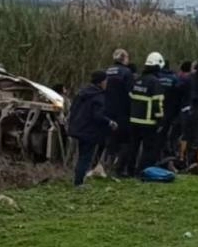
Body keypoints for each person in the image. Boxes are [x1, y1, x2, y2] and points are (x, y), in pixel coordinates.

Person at [68, 71, 118, 187]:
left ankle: (78, 179)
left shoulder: (82, 93)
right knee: (85, 157)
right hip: (89, 131)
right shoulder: (98, 96)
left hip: (78, 128)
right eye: (105, 81)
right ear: (101, 82)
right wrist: (109, 122)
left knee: (81, 155)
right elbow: (98, 116)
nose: (107, 83)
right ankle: (79, 183)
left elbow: (73, 109)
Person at [128, 52, 166, 174]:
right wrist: (160, 120)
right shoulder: (155, 82)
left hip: (134, 120)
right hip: (148, 121)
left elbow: (131, 98)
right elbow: (157, 103)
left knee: (133, 147)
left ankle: (130, 170)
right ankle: (144, 171)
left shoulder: (138, 80)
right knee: (148, 148)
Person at [103, 48, 135, 176]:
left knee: (110, 139)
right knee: (125, 141)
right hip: (122, 111)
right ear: (124, 59)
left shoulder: (107, 71)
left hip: (107, 110)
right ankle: (119, 168)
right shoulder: (127, 73)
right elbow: (131, 93)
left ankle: (107, 165)